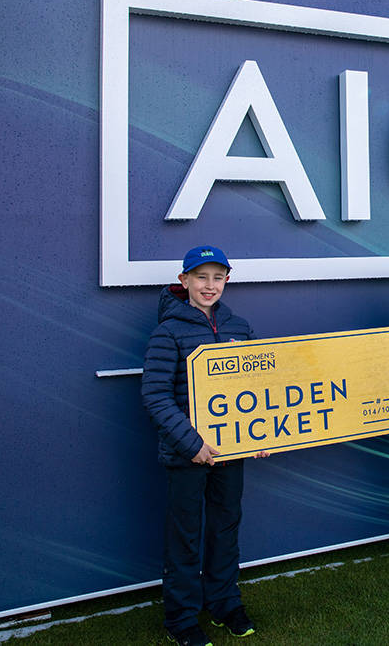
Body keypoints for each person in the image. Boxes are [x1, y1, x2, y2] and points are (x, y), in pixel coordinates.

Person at [141, 246, 267, 646]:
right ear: (184, 282)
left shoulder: (241, 327)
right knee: (185, 537)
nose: (209, 285)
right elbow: (156, 395)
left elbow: (260, 388)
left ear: (227, 280)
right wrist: (192, 443)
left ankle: (224, 603)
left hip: (232, 453)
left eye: (217, 277)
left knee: (225, 530)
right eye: (201, 277)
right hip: (187, 455)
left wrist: (264, 434)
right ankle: (180, 617)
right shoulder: (169, 331)